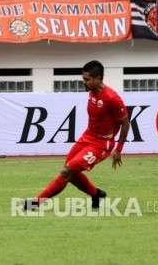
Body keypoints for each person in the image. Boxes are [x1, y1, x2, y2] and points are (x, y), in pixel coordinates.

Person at [25, 60, 130, 210]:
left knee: (67, 171)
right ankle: (96, 194)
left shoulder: (112, 98)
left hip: (101, 144)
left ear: (98, 79)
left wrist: (118, 149)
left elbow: (125, 123)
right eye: (83, 79)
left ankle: (34, 204)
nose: (84, 82)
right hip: (87, 137)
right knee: (70, 170)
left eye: (87, 80)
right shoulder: (92, 92)